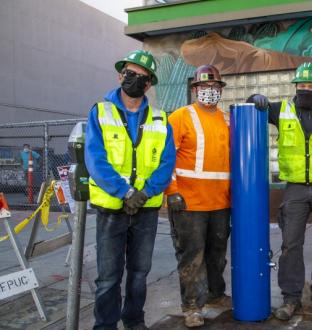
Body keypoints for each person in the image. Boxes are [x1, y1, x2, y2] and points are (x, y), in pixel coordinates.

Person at [248, 62, 312, 320]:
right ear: (296, 87)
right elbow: (253, 107)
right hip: (295, 190)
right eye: (302, 85)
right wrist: (254, 97)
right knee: (291, 244)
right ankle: (291, 298)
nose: (306, 89)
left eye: (311, 85)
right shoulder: (282, 111)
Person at [85, 50, 176, 330]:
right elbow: (95, 159)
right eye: (129, 74)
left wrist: (145, 193)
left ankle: (134, 321)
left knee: (139, 273)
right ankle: (105, 325)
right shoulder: (100, 112)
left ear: (149, 85)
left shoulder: (161, 119)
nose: (134, 80)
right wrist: (125, 193)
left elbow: (166, 162)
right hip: (112, 208)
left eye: (141, 77)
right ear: (120, 75)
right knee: (109, 276)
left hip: (145, 209)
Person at [164, 65, 231, 328]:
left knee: (218, 254)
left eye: (215, 88)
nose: (210, 92)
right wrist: (172, 192)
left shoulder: (225, 120)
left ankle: (216, 294)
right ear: (194, 90)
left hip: (220, 202)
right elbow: (166, 157)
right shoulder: (181, 116)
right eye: (205, 87)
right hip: (189, 202)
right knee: (192, 255)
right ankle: (192, 306)